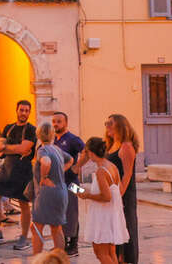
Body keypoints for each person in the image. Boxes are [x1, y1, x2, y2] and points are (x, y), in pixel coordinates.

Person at [0, 100, 38, 250]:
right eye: (21, 110)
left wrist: (7, 148)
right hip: (7, 168)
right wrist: (13, 149)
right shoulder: (8, 128)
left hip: (23, 170)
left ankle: (24, 237)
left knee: (24, 204)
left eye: (27, 111)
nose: (24, 113)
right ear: (17, 110)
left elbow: (24, 148)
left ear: (29, 112)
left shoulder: (32, 130)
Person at [77, 136, 127, 264]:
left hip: (103, 216)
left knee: (100, 252)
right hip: (110, 214)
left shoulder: (101, 171)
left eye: (86, 152)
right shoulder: (112, 166)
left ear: (91, 153)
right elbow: (117, 189)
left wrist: (87, 195)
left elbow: (106, 196)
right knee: (110, 251)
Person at [30, 122, 70, 255]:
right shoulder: (57, 149)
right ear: (53, 134)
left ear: (38, 135)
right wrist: (61, 172)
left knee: (36, 227)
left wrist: (44, 177)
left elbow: (46, 162)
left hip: (47, 193)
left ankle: (37, 259)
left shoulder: (43, 149)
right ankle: (60, 259)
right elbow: (70, 160)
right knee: (56, 228)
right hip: (61, 191)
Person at [104, 114, 138, 264]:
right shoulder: (111, 145)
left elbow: (127, 174)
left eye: (110, 123)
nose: (107, 126)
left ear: (120, 126)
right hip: (112, 193)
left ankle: (128, 260)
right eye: (106, 123)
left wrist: (118, 197)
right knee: (114, 230)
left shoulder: (126, 147)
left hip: (123, 195)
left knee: (126, 228)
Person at [51, 112, 83, 255]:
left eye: (59, 121)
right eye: (54, 121)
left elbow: (87, 151)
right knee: (60, 214)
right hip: (58, 184)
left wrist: (77, 167)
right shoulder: (53, 140)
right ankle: (62, 244)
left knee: (72, 213)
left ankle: (73, 245)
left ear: (66, 123)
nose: (55, 124)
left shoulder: (73, 139)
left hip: (72, 183)